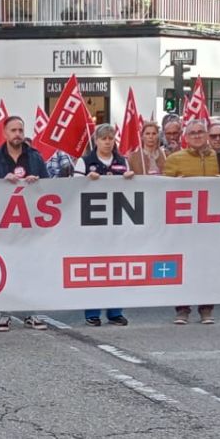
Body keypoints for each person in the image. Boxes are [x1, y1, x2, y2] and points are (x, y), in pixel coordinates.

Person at [0, 115, 49, 331]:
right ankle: (5, 313)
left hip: (30, 222)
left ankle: (32, 312)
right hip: (4, 222)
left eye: (20, 130)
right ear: (5, 133)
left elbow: (50, 186)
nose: (17, 134)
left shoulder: (35, 157)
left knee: (31, 266)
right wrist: (1, 183)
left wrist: (37, 182)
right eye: (13, 130)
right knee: (6, 266)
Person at [162, 118, 220, 324]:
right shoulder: (174, 159)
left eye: (201, 132)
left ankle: (206, 309)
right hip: (183, 224)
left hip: (211, 224)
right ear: (186, 137)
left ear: (206, 134)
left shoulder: (219, 158)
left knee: (208, 266)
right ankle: (182, 309)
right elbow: (162, 189)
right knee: (184, 266)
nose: (197, 135)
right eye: (193, 133)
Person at [79, 122, 129, 327]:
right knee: (94, 268)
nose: (108, 142)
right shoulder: (84, 162)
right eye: (103, 139)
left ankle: (115, 311)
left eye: (111, 138)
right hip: (92, 224)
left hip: (118, 223)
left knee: (117, 267)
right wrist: (85, 180)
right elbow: (72, 189)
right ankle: (92, 312)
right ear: (96, 141)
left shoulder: (123, 161)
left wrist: (130, 179)